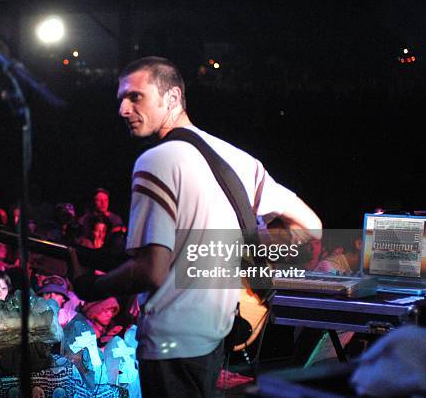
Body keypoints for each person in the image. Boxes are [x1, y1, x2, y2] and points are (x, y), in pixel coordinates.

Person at [71, 56, 322, 397]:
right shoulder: (238, 158)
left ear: (172, 98)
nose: (123, 110)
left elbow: (151, 270)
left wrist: (90, 288)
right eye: (120, 100)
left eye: (135, 97)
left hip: (169, 341)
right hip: (214, 338)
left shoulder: (154, 160)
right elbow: (310, 227)